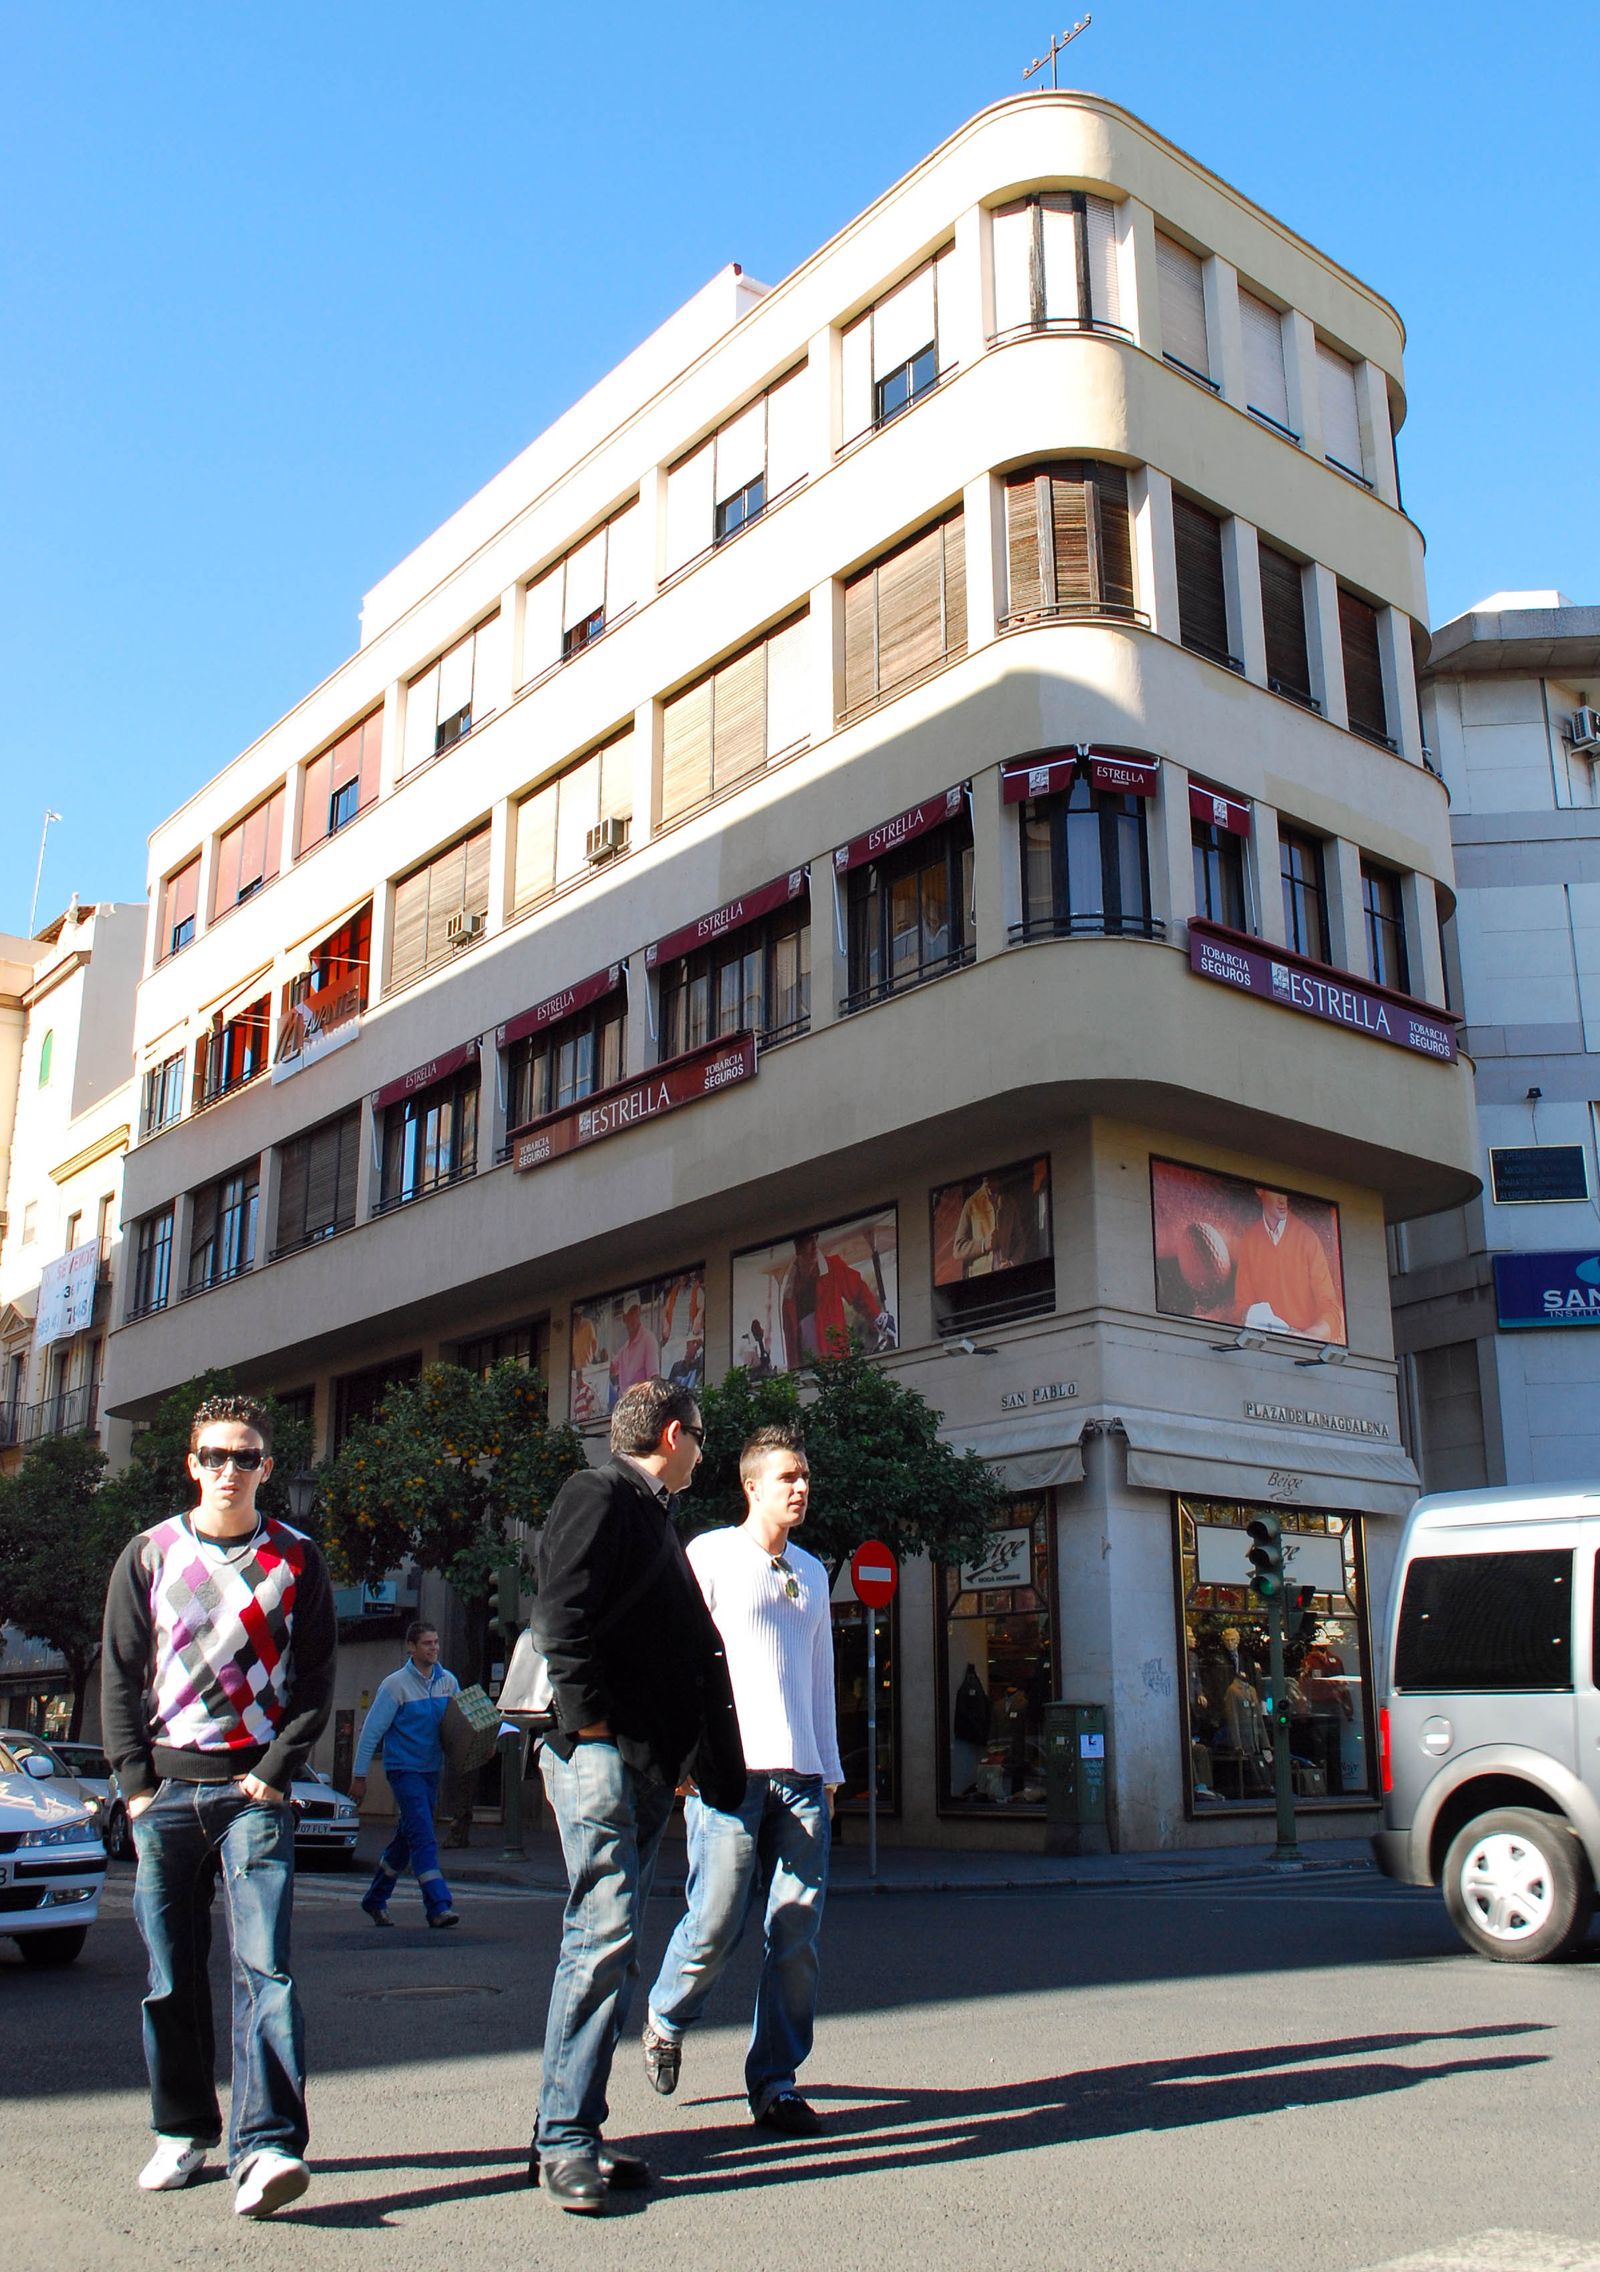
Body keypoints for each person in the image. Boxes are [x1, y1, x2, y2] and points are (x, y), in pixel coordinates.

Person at [100, 1394, 336, 2219]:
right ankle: (183, 2129)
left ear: (267, 1467)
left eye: (244, 1457)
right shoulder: (150, 1554)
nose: (227, 1470)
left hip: (253, 1797)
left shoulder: (298, 1560)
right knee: (171, 1974)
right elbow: (121, 1674)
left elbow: (314, 1686)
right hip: (166, 1791)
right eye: (213, 1456)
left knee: (265, 1966)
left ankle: (267, 2146)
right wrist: (134, 1786)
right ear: (192, 1464)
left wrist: (275, 1772)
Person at [528, 1376, 744, 2215]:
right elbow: (561, 1614)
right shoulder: (598, 1492)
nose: (703, 1448)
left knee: (610, 1945)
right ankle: (565, 2142)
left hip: (645, 1762)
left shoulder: (652, 1510)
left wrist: (680, 1755)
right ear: (669, 1433)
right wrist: (588, 1735)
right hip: (602, 1754)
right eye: (698, 1433)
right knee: (602, 1934)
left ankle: (565, 2122)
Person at [642, 1426, 841, 2136]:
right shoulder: (711, 1557)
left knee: (796, 1932)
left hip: (802, 1775)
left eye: (805, 1475)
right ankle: (667, 2016)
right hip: (727, 1773)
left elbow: (821, 1678)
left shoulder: (814, 1572)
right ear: (751, 1485)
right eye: (787, 1476)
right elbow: (678, 1663)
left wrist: (833, 1768)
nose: (800, 1487)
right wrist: (684, 1759)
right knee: (717, 1920)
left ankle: (776, 2082)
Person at [348, 1620, 461, 1929]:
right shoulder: (394, 1685)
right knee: (424, 1835)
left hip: (431, 1770)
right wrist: (360, 1777)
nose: (434, 1648)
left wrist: (482, 1744)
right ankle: (438, 1906)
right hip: (404, 1771)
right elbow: (371, 1733)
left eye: (436, 1642)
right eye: (427, 1643)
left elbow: (461, 1723)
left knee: (406, 1838)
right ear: (411, 1647)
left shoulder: (448, 1682)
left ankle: (375, 1899)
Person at [1232, 1186, 1345, 1342]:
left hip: (1303, 1353)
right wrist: (1253, 1316)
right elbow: (1241, 1307)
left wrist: (1307, 1337)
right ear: (1260, 1190)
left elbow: (1330, 1309)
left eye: (1284, 1193)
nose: (1282, 1199)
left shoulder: (1307, 1238)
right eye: (1275, 1191)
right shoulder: (1250, 1240)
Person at [779, 1230, 894, 1368]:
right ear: (798, 1248)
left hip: (835, 1362)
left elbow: (859, 1292)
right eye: (809, 1240)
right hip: (807, 1366)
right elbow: (791, 1341)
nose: (815, 1245)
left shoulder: (833, 1267)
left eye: (816, 1238)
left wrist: (877, 1318)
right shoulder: (789, 1293)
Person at [607, 1291, 661, 1400]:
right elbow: (611, 1368)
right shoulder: (624, 1350)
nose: (634, 1317)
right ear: (624, 1318)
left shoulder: (648, 1340)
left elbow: (654, 1379)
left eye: (635, 1311)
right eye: (630, 1313)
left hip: (641, 1404)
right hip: (625, 1406)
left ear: (639, 1311)